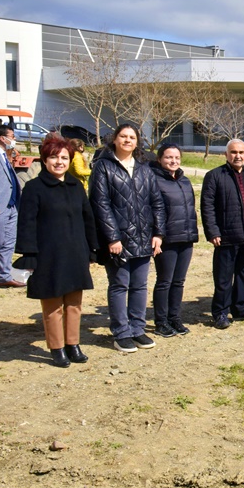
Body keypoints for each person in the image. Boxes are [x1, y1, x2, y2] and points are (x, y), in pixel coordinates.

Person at [15, 136, 98, 367]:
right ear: (44, 159)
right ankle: (57, 347)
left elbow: (88, 219)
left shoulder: (76, 187)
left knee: (74, 303)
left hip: (75, 252)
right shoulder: (34, 188)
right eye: (54, 157)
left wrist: (92, 248)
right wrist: (28, 254)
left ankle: (73, 344)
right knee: (52, 305)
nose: (59, 162)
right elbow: (27, 224)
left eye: (64, 158)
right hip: (48, 255)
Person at [89, 124, 166, 353]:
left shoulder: (144, 168)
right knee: (120, 285)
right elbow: (100, 205)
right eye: (123, 136)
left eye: (132, 137)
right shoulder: (103, 167)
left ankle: (137, 329)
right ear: (114, 139)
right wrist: (112, 237)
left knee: (140, 286)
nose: (127, 140)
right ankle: (121, 332)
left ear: (137, 141)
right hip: (118, 240)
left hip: (143, 238)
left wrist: (158, 233)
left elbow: (156, 202)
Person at [201, 139, 244, 329]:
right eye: (233, 152)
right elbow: (207, 206)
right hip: (226, 235)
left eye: (241, 152)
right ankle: (221, 312)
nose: (237, 156)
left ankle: (240, 307)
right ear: (226, 154)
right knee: (223, 277)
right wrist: (212, 231)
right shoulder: (215, 176)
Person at [148, 144, 198, 337]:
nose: (173, 161)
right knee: (164, 281)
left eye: (177, 157)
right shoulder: (154, 180)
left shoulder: (184, 180)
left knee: (179, 281)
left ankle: (175, 318)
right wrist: (157, 234)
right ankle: (161, 321)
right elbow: (152, 210)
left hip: (186, 237)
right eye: (169, 157)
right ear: (159, 159)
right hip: (166, 239)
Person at [0, 124, 23, 289]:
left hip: (11, 205)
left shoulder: (3, 154)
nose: (14, 139)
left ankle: (5, 276)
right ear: (2, 138)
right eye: (12, 136)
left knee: (8, 242)